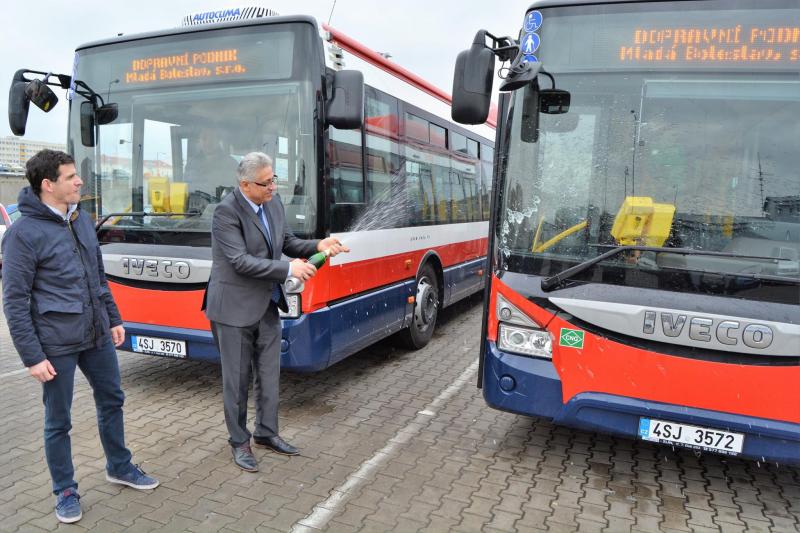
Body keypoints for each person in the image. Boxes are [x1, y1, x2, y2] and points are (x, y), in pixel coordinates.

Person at [1, 150, 159, 524]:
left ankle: (119, 466)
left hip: (96, 333)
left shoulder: (81, 220)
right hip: (55, 343)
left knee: (112, 400)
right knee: (59, 420)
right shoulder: (23, 234)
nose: (79, 181)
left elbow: (97, 278)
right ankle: (65, 490)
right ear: (48, 185)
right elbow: (14, 300)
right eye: (71, 176)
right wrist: (32, 357)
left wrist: (114, 319)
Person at [203, 152, 348, 472]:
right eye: (266, 182)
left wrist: (318, 246)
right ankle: (239, 442)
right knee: (237, 381)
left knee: (269, 375)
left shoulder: (273, 203)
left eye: (274, 179)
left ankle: (267, 433)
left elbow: (287, 241)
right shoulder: (225, 213)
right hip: (232, 309)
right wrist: (288, 270)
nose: (273, 187)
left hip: (267, 304)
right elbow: (240, 261)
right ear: (245, 184)